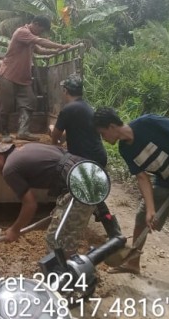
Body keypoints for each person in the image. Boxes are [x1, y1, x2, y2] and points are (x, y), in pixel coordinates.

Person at [93, 107, 169, 301]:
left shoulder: (147, 123)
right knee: (141, 217)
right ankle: (133, 263)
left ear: (111, 127)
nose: (103, 138)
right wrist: (151, 210)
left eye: (102, 133)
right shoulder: (125, 148)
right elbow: (142, 178)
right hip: (164, 182)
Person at [0, 139, 94, 254]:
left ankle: (68, 271)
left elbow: (30, 205)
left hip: (80, 186)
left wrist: (15, 229)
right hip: (89, 173)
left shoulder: (9, 169)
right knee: (63, 237)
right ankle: (71, 267)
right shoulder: (26, 148)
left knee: (55, 240)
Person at [50, 74, 122, 239]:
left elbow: (56, 137)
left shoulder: (68, 109)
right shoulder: (86, 107)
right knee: (91, 194)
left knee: (87, 194)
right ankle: (113, 231)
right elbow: (77, 131)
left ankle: (112, 231)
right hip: (97, 155)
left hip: (86, 159)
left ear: (65, 91)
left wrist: (54, 138)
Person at [0, 15, 70, 143]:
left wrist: (54, 53)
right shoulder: (22, 32)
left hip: (23, 78)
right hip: (8, 75)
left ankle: (23, 131)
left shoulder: (29, 38)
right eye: (41, 30)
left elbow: (40, 50)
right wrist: (61, 46)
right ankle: (4, 132)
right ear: (35, 24)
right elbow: (40, 42)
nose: (41, 33)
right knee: (6, 106)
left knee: (30, 101)